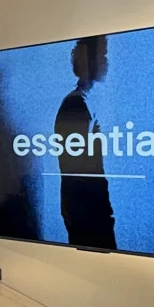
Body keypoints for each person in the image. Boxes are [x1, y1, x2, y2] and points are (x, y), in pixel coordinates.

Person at [55, 36, 117, 249]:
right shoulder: (76, 104)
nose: (106, 61)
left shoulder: (87, 103)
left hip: (93, 213)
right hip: (88, 217)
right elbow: (76, 172)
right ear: (86, 59)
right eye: (102, 55)